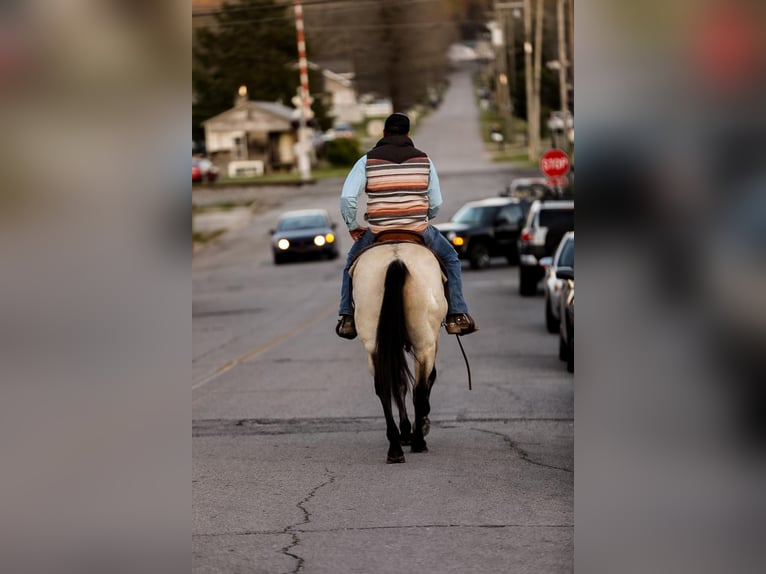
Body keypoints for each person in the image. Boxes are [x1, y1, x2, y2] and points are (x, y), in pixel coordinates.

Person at [335, 112, 478, 339]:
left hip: (379, 231)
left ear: (384, 133)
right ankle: (457, 315)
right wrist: (422, 215)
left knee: (350, 265)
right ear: (408, 133)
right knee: (451, 260)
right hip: (417, 229)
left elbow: (347, 199)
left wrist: (353, 225)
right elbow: (437, 203)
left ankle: (347, 317)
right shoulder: (424, 161)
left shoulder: (366, 161)